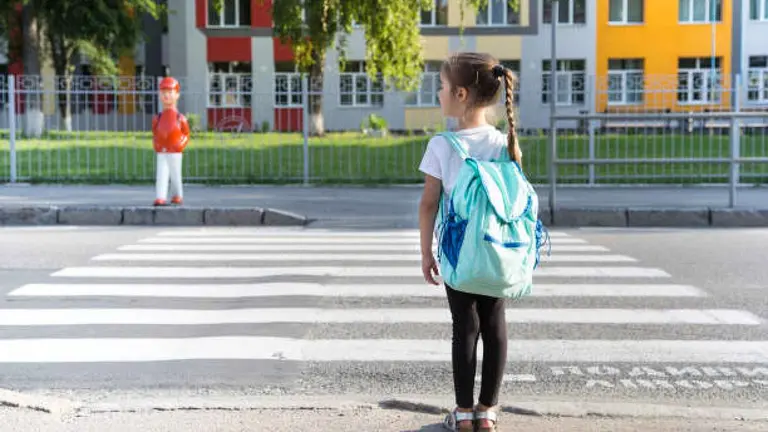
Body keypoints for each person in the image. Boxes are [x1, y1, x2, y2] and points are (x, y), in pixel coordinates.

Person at [417, 52, 523, 432]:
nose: (439, 94)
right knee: (495, 325)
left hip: (458, 253)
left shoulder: (441, 145)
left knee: (463, 326)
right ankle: (488, 412)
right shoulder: (503, 142)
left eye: (442, 88)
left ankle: (463, 415)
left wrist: (426, 252)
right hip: (496, 250)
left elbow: (428, 204)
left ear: (461, 94)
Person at [152, 76, 190, 206]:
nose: (166, 96)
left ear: (177, 95)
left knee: (175, 174)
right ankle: (160, 196)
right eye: (163, 93)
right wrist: (156, 144)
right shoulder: (158, 118)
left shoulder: (180, 118)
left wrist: (181, 144)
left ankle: (177, 194)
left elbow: (186, 134)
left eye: (170, 93)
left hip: (175, 150)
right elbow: (155, 133)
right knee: (161, 174)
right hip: (162, 150)